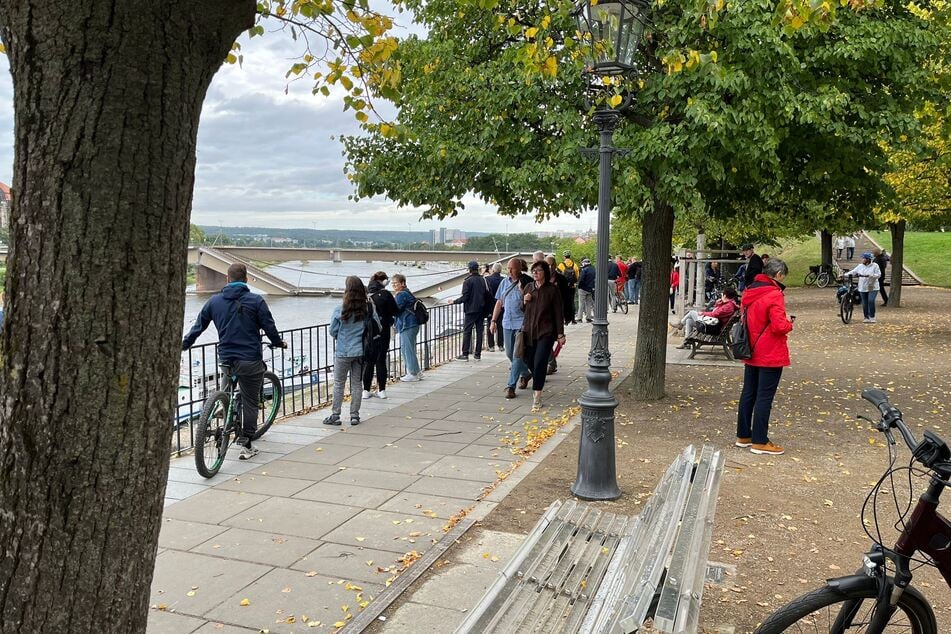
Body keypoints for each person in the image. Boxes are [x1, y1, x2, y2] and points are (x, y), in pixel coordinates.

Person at [182, 263, 286, 460]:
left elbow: (198, 326)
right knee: (250, 401)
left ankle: (222, 409)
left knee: (227, 387)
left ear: (227, 279)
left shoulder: (214, 302)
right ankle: (246, 444)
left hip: (226, 357)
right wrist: (278, 343)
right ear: (246, 279)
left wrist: (185, 344)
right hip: (250, 359)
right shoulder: (256, 301)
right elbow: (269, 326)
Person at [735, 258, 794, 456]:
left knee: (749, 393)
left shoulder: (749, 290)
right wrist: (789, 323)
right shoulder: (774, 294)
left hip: (750, 349)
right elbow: (779, 326)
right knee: (764, 397)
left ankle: (743, 435)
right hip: (769, 352)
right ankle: (760, 440)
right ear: (778, 275)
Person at [325, 276, 380, 426]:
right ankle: (354, 415)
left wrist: (341, 336)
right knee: (357, 383)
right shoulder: (368, 308)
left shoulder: (340, 309)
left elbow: (332, 331)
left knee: (339, 383)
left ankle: (335, 415)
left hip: (343, 351)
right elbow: (378, 327)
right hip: (361, 351)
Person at [522, 260, 565, 412]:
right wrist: (524, 301)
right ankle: (538, 377)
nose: (535, 273)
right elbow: (523, 309)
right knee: (528, 360)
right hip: (528, 331)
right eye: (533, 271)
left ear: (545, 273)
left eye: (538, 271)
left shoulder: (552, 290)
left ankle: (537, 396)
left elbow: (558, 313)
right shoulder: (528, 287)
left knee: (540, 362)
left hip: (546, 332)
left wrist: (560, 333)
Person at [490, 258, 533, 399]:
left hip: (521, 323)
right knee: (509, 353)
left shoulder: (527, 282)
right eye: (508, 268)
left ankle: (511, 386)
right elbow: (499, 302)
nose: (509, 271)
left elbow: (532, 305)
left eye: (512, 268)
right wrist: (493, 320)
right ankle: (525, 373)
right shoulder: (504, 282)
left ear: (519, 268)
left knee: (517, 354)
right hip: (507, 323)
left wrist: (523, 294)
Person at [363, 271, 399, 400]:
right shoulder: (385, 294)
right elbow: (396, 310)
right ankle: (381, 390)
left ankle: (366, 390)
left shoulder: (366, 294)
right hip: (383, 330)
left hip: (368, 332)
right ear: (384, 282)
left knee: (369, 361)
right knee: (381, 359)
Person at [452, 260, 492, 361]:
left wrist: (454, 301)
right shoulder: (483, 280)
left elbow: (465, 297)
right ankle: (477, 354)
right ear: (477, 269)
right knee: (479, 331)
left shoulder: (467, 281)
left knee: (467, 332)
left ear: (469, 269)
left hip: (470, 310)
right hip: (481, 310)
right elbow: (488, 295)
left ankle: (465, 354)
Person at [674, 287, 738, 348]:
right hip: (713, 324)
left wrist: (703, 313)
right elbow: (716, 311)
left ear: (725, 295)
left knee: (691, 312)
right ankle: (686, 343)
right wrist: (718, 303)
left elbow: (714, 314)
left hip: (713, 327)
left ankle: (680, 324)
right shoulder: (728, 304)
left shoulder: (728, 306)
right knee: (689, 321)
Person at [392, 273, 422, 382]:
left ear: (403, 283)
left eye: (396, 283)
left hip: (407, 324)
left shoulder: (401, 295)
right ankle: (417, 371)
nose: (394, 285)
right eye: (393, 283)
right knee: (409, 348)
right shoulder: (407, 292)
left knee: (406, 349)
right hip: (413, 324)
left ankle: (412, 373)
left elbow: (396, 309)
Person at [545, 255, 569, 374]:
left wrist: (568, 314)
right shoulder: (541, 278)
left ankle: (551, 362)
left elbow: (566, 297)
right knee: (546, 338)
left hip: (556, 313)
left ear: (555, 265)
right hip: (544, 314)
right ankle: (551, 362)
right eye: (547, 264)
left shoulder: (560, 279)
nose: (549, 267)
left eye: (551, 264)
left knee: (551, 338)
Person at [846, 252, 881, 323]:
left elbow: (878, 274)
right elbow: (853, 272)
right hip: (862, 286)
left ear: (868, 259)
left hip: (872, 285)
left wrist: (871, 276)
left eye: (864, 258)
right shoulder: (860, 266)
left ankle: (872, 316)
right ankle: (866, 317)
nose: (862, 260)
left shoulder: (875, 266)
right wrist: (844, 275)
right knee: (864, 302)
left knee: (870, 300)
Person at [484, 263, 504, 351]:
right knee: (500, 325)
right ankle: (500, 345)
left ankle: (491, 345)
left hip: (490, 305)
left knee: (490, 324)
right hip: (501, 305)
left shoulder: (487, 279)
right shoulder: (504, 280)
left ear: (493, 269)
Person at [557, 250, 581, 325]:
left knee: (563, 302)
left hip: (564, 287)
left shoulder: (561, 265)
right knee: (572, 302)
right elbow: (577, 276)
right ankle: (573, 319)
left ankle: (565, 320)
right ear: (570, 256)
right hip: (572, 286)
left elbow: (558, 276)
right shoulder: (574, 265)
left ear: (564, 257)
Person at [576, 257, 595, 322]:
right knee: (588, 304)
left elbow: (581, 279)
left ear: (584, 263)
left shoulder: (584, 270)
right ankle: (588, 317)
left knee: (581, 303)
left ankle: (579, 318)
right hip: (590, 289)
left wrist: (579, 286)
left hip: (583, 289)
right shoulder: (594, 269)